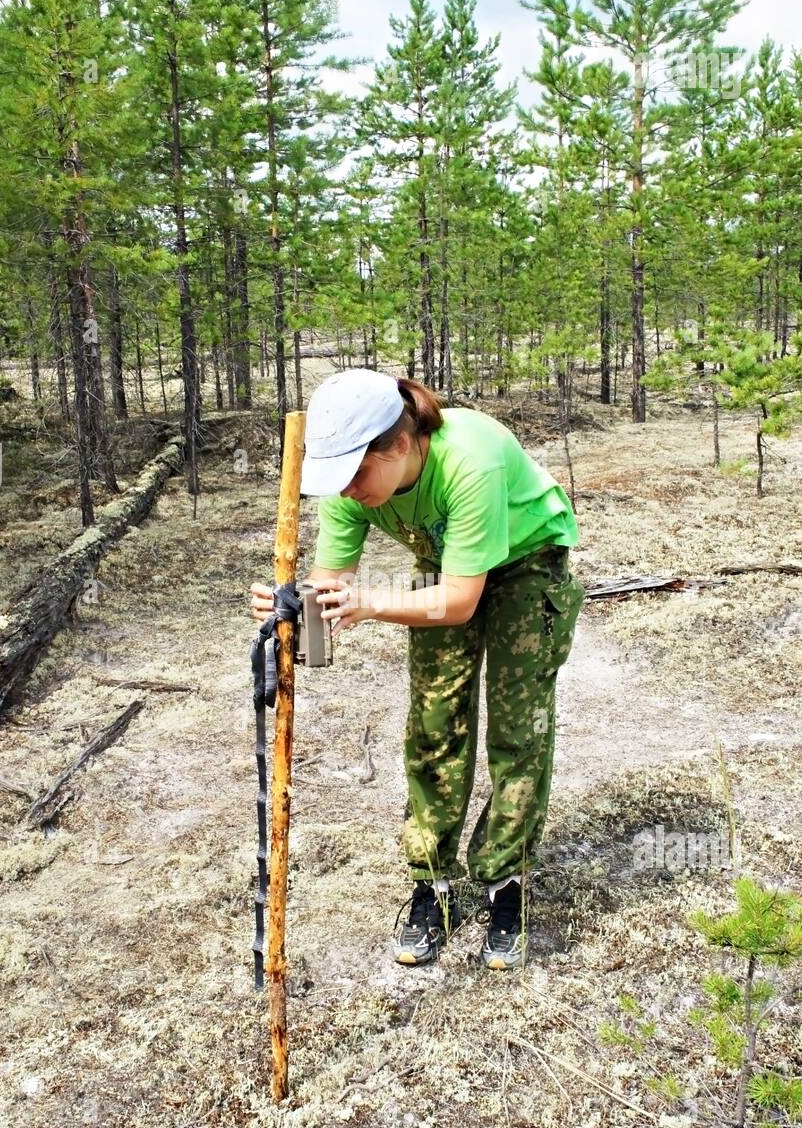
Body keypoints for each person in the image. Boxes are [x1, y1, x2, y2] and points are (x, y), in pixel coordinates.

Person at [250, 369, 585, 970]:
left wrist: (373, 604)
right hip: (447, 558)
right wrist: (294, 612)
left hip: (528, 559)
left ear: (400, 444)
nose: (348, 491)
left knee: (518, 728)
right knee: (434, 722)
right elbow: (332, 590)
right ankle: (433, 881)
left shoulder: (469, 461)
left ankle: (504, 883)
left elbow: (458, 602)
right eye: (338, 478)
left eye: (356, 474)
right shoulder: (351, 491)